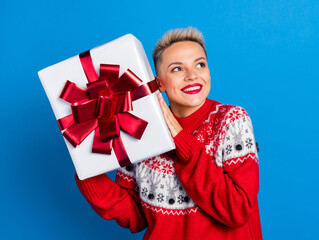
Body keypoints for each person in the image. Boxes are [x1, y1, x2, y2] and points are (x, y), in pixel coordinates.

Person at [76, 27, 262, 240]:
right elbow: (136, 217)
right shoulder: (139, 130)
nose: (192, 76)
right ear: (159, 83)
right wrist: (86, 168)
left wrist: (180, 139)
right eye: (177, 69)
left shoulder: (232, 120)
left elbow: (237, 211)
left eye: (200, 65)